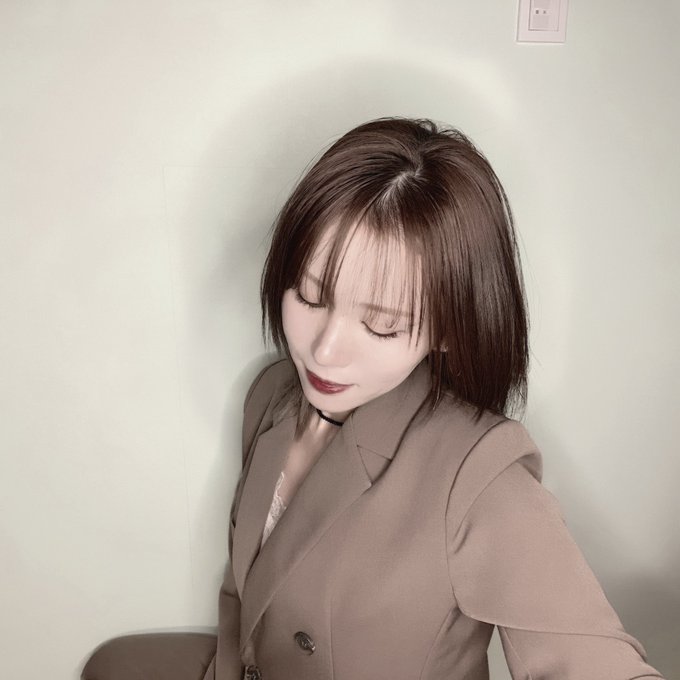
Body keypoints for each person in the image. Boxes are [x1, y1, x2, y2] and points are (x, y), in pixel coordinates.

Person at [82, 118, 666, 680]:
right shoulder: (269, 395)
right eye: (309, 296)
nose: (324, 351)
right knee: (110, 664)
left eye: (382, 325)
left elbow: (596, 662)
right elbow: (249, 600)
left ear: (448, 329)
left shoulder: (479, 477)